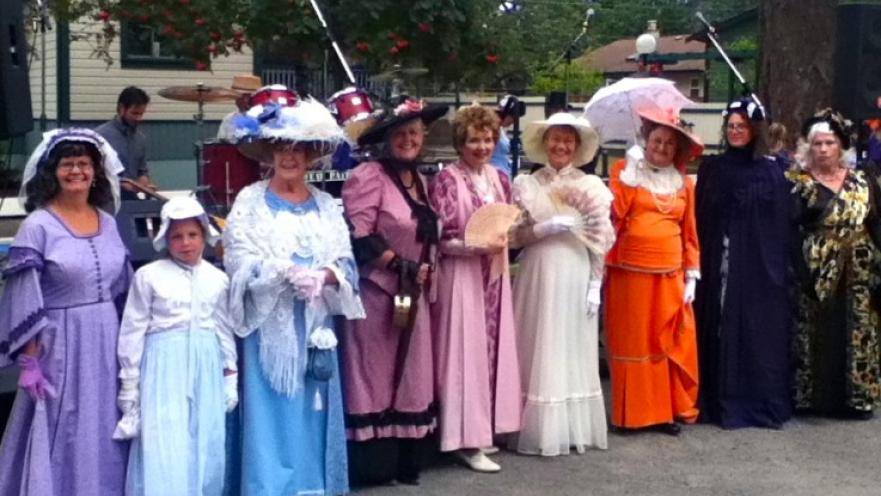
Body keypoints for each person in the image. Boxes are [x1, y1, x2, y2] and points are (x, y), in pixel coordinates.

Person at [223, 95, 365, 495]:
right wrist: (279, 272)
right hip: (270, 330)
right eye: (282, 148)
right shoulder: (250, 201)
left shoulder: (326, 205)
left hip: (317, 329)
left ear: (310, 156)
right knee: (271, 419)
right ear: (270, 152)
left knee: (312, 414)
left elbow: (347, 262)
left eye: (298, 149)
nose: (290, 157)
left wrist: (326, 275)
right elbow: (237, 259)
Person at [0, 128, 131, 494]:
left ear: (96, 171)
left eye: (84, 164)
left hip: (107, 343)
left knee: (104, 424)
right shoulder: (38, 226)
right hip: (59, 345)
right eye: (67, 164)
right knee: (66, 426)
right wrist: (28, 362)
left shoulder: (107, 223)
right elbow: (24, 295)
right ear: (52, 172)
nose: (76, 171)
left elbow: (122, 287)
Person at [340, 99, 446, 485]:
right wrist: (395, 263)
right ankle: (373, 465)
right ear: (386, 139)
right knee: (374, 374)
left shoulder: (419, 180)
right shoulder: (368, 176)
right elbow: (359, 233)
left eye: (414, 133)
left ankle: (406, 459)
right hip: (378, 294)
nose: (408, 139)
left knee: (411, 376)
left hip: (413, 294)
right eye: (400, 133)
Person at [113, 196, 238, 495]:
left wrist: (229, 376)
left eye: (192, 235)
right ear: (165, 238)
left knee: (204, 436)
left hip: (206, 365)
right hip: (164, 367)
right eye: (177, 236)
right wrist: (130, 385)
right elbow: (133, 330)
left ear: (205, 236)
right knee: (166, 438)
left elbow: (223, 329)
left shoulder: (218, 279)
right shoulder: (149, 277)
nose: (186, 243)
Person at [508, 112, 616, 455]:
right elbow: (512, 238)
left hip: (574, 270)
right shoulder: (527, 184)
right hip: (538, 270)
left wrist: (595, 286)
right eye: (556, 139)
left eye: (568, 141)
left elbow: (600, 240)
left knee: (569, 342)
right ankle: (532, 425)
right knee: (538, 340)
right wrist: (540, 230)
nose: (561, 146)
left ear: (578, 147)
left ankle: (569, 426)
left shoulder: (591, 187)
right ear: (545, 143)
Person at [428, 105, 521, 471]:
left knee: (491, 350)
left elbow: (508, 223)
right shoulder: (448, 180)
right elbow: (441, 238)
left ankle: (483, 427)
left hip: (494, 274)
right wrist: (474, 246)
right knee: (464, 352)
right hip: (461, 274)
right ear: (459, 143)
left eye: (487, 139)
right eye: (473, 140)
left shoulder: (501, 178)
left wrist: (504, 236)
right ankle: (462, 438)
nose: (481, 146)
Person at [694, 98, 793, 429]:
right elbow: (701, 217)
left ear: (755, 130)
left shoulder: (770, 172)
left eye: (742, 126)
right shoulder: (712, 169)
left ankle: (748, 398)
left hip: (754, 269)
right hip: (716, 263)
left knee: (751, 326)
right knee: (717, 324)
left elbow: (778, 226)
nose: (736, 132)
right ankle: (713, 394)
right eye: (731, 126)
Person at [605, 108, 704, 436]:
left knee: (666, 341)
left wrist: (692, 273)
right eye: (656, 140)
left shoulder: (684, 183)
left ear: (677, 151)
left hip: (669, 274)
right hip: (629, 273)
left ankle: (664, 413)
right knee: (633, 342)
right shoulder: (625, 171)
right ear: (646, 141)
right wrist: (628, 175)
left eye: (669, 144)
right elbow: (614, 216)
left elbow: (690, 231)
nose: (661, 147)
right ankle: (631, 415)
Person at [788, 108, 881, 420]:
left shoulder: (863, 180)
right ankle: (813, 399)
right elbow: (788, 228)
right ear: (808, 148)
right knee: (816, 330)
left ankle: (857, 398)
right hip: (815, 268)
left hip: (859, 269)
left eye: (829, 143)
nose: (824, 149)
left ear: (841, 146)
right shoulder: (797, 183)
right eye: (817, 144)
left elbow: (876, 224)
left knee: (858, 330)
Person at [95, 86, 152, 194]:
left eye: (141, 114)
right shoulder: (100, 136)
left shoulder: (140, 138)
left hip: (131, 198)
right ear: (121, 109)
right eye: (134, 113)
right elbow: (93, 172)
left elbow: (142, 170)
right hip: (105, 198)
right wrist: (120, 183)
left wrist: (144, 181)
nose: (138, 118)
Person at [216, 74, 262, 142]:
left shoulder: (263, 118)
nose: (239, 99)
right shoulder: (229, 119)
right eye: (237, 96)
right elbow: (220, 142)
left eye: (246, 96)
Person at [489, 95, 517, 177]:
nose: (513, 121)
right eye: (512, 117)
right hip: (493, 172)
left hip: (504, 171)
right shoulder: (493, 127)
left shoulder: (501, 130)